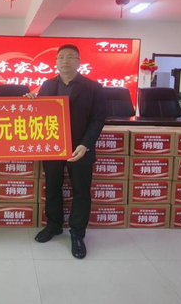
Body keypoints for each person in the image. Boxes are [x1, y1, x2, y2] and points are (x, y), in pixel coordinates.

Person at [27, 44, 106, 259]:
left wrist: (85, 144)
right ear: (55, 62)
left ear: (79, 62)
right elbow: (40, 115)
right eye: (61, 57)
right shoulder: (47, 85)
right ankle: (53, 225)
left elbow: (98, 119)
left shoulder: (93, 87)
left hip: (80, 148)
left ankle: (77, 234)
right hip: (53, 148)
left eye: (71, 57)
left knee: (81, 191)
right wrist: (30, 102)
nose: (65, 61)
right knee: (53, 187)